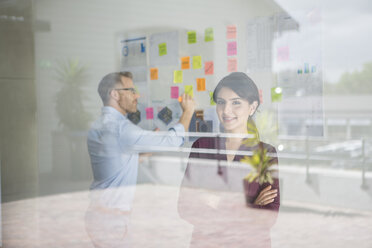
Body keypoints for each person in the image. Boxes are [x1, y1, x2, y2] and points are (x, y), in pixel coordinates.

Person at [85, 71, 194, 247]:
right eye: (131, 90)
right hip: (113, 221)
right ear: (114, 94)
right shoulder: (122, 129)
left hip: (98, 214)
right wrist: (188, 112)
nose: (137, 95)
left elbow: (115, 162)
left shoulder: (98, 125)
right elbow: (173, 141)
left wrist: (144, 151)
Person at [178, 72, 279, 248]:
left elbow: (268, 217)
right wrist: (250, 205)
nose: (226, 110)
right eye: (221, 102)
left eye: (236, 103)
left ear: (252, 107)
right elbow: (185, 207)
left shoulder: (266, 153)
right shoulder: (202, 146)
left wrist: (214, 201)